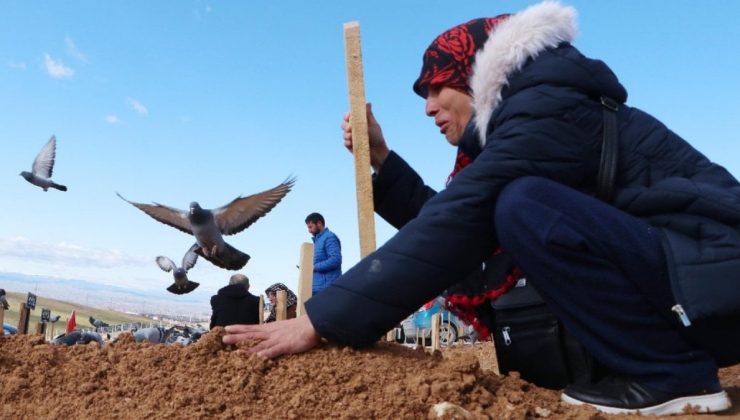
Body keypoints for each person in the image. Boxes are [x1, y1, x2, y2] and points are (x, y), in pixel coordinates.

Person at [224, 2, 740, 416]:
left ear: (473, 75)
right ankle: (657, 365)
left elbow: (465, 218)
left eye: (436, 87)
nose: (427, 106)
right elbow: (463, 224)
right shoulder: (535, 117)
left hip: (717, 277)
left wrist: (319, 320)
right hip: (692, 283)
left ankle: (669, 375)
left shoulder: (549, 109)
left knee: (522, 205)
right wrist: (382, 159)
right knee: (511, 207)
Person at [305, 212, 342, 295]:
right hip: (316, 289)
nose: (309, 231)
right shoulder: (317, 242)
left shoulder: (330, 237)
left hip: (327, 289)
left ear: (319, 223)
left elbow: (335, 259)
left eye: (310, 227)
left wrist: (314, 267)